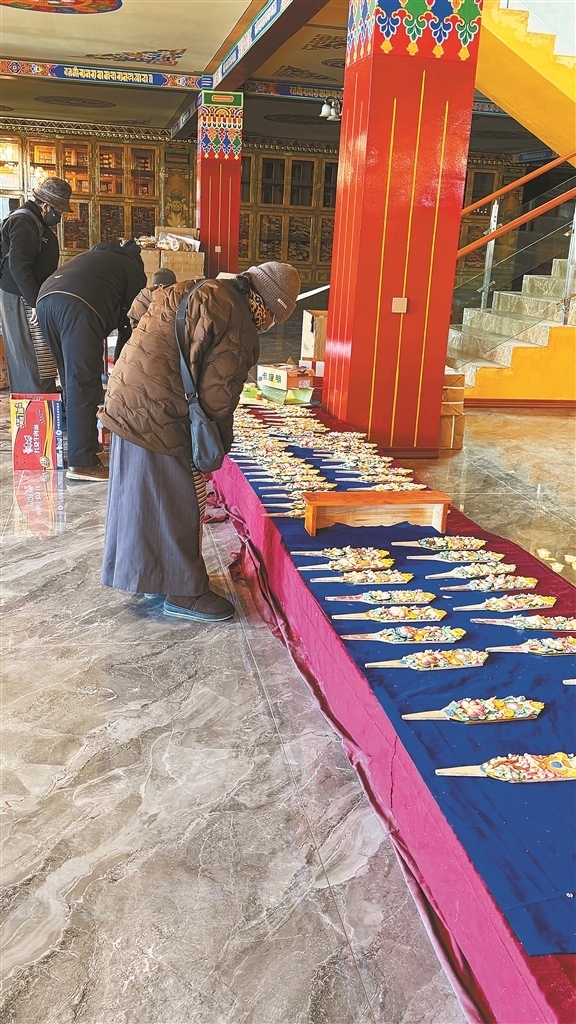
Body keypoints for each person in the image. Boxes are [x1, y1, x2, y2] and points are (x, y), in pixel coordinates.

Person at [100, 261, 301, 622]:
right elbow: (217, 396)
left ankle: (152, 576)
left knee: (144, 497)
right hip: (158, 410)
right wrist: (214, 448)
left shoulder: (206, 288)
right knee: (183, 497)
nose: (270, 324)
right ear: (268, 306)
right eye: (274, 317)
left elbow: (141, 304)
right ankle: (184, 591)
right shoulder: (239, 320)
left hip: (128, 394)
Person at [36, 240, 146, 482]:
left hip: (44, 301)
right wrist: (124, 365)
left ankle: (82, 445)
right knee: (82, 383)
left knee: (71, 381)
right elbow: (133, 320)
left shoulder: (91, 258)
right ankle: (82, 462)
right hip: (77, 306)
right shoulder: (131, 267)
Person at [0, 177, 72, 394]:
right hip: (20, 295)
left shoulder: (33, 221)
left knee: (38, 353)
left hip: (27, 295)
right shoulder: (25, 222)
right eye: (59, 210)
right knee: (30, 354)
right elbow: (18, 266)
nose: (60, 215)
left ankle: (43, 397)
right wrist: (33, 303)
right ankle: (36, 404)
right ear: (46, 206)